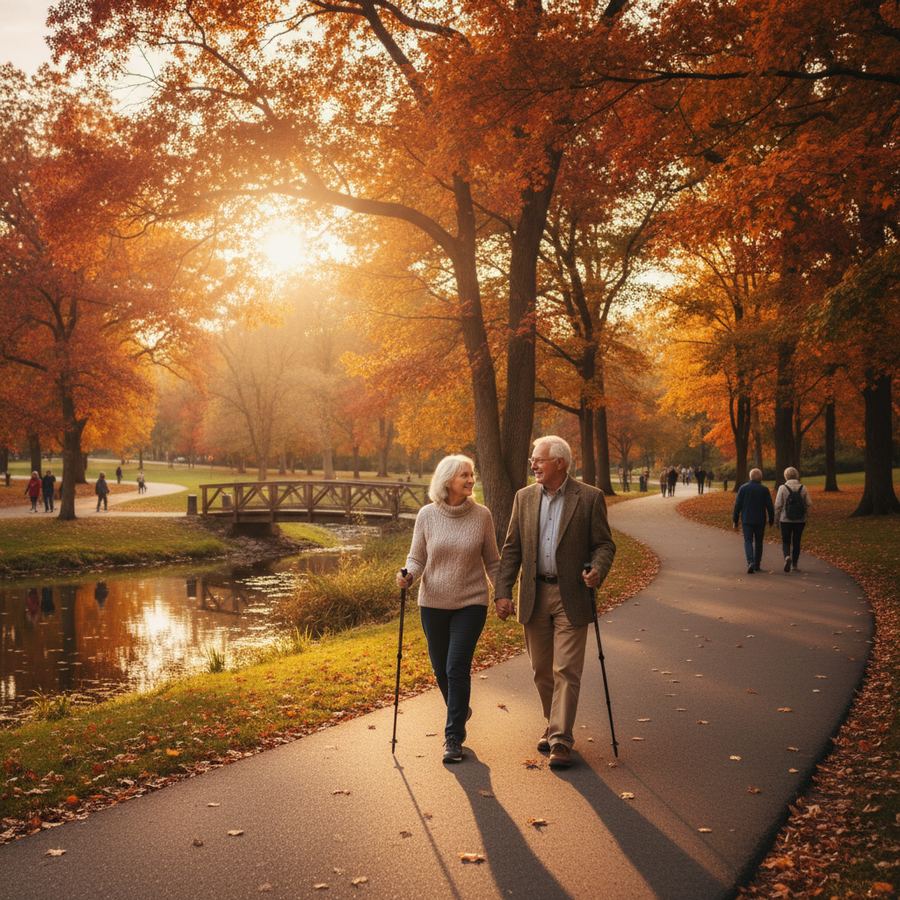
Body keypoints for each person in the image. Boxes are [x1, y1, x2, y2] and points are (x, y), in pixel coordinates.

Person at [495, 436, 616, 769]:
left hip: (571, 595)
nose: (533, 464)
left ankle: (561, 738)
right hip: (533, 594)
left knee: (566, 669)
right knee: (541, 671)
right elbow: (512, 549)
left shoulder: (589, 498)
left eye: (539, 459)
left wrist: (597, 571)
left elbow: (604, 545)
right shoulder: (524, 498)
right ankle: (552, 723)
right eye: (533, 460)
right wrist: (503, 591)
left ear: (560, 463)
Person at [397, 454, 500, 764]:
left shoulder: (482, 516)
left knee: (456, 667)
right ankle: (460, 708)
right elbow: (417, 557)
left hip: (471, 602)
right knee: (441, 668)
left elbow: (492, 561)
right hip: (432, 603)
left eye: (471, 475)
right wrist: (408, 575)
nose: (471, 480)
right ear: (447, 481)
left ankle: (453, 736)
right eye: (464, 476)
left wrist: (503, 594)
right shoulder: (427, 515)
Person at [732, 468, 774, 574]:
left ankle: (750, 561)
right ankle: (757, 564)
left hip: (747, 519)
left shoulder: (743, 488)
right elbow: (769, 506)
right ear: (761, 477)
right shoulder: (764, 489)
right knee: (759, 542)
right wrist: (771, 519)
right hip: (760, 520)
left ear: (750, 477)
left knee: (748, 541)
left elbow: (737, 506)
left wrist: (735, 520)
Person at [774, 467, 811, 573]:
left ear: (786, 476)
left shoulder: (782, 487)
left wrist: (776, 519)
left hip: (785, 519)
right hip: (800, 520)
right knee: (797, 541)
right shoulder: (803, 488)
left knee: (786, 541)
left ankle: (787, 556)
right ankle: (794, 565)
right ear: (797, 475)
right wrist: (807, 516)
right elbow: (809, 503)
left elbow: (778, 505)